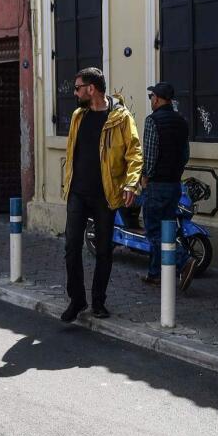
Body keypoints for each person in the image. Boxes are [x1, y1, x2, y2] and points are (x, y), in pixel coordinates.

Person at [60, 67, 143, 322]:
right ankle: (77, 299)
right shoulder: (78, 116)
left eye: (78, 88)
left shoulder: (120, 118)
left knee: (104, 251)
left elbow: (134, 152)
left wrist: (130, 184)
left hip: (105, 195)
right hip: (77, 192)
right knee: (71, 246)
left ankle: (98, 301)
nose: (75, 93)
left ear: (91, 89)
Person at [138, 81, 196, 291]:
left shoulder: (152, 121)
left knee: (154, 232)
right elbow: (185, 155)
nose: (151, 101)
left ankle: (184, 260)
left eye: (151, 97)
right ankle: (155, 274)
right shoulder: (182, 121)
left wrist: (145, 176)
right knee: (167, 226)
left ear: (159, 99)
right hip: (174, 185)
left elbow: (150, 156)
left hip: (157, 185)